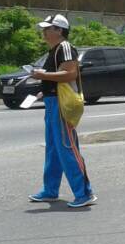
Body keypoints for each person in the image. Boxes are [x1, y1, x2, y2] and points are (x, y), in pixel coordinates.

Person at [27, 14, 96, 208]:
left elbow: (70, 73)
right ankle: (50, 190)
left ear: (59, 30)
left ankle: (84, 193)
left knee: (66, 147)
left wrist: (42, 74)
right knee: (53, 149)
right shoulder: (54, 50)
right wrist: (44, 89)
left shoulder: (65, 47)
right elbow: (57, 79)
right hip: (52, 101)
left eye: (48, 28)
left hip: (61, 104)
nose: (44, 31)